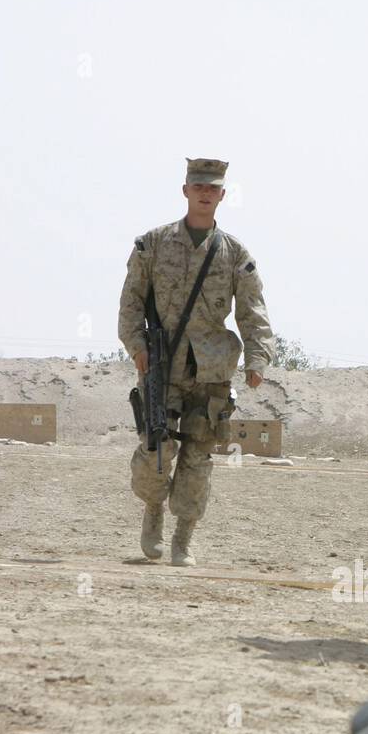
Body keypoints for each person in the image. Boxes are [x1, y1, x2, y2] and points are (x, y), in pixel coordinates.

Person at [118, 157, 274, 565]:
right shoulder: (152, 244)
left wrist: (258, 358)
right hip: (161, 365)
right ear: (185, 190)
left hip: (211, 370)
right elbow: (131, 302)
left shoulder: (235, 253)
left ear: (223, 195)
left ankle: (183, 536)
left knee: (198, 457)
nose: (205, 193)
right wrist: (136, 345)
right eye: (198, 186)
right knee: (158, 446)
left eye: (213, 188)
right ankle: (153, 511)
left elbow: (253, 311)